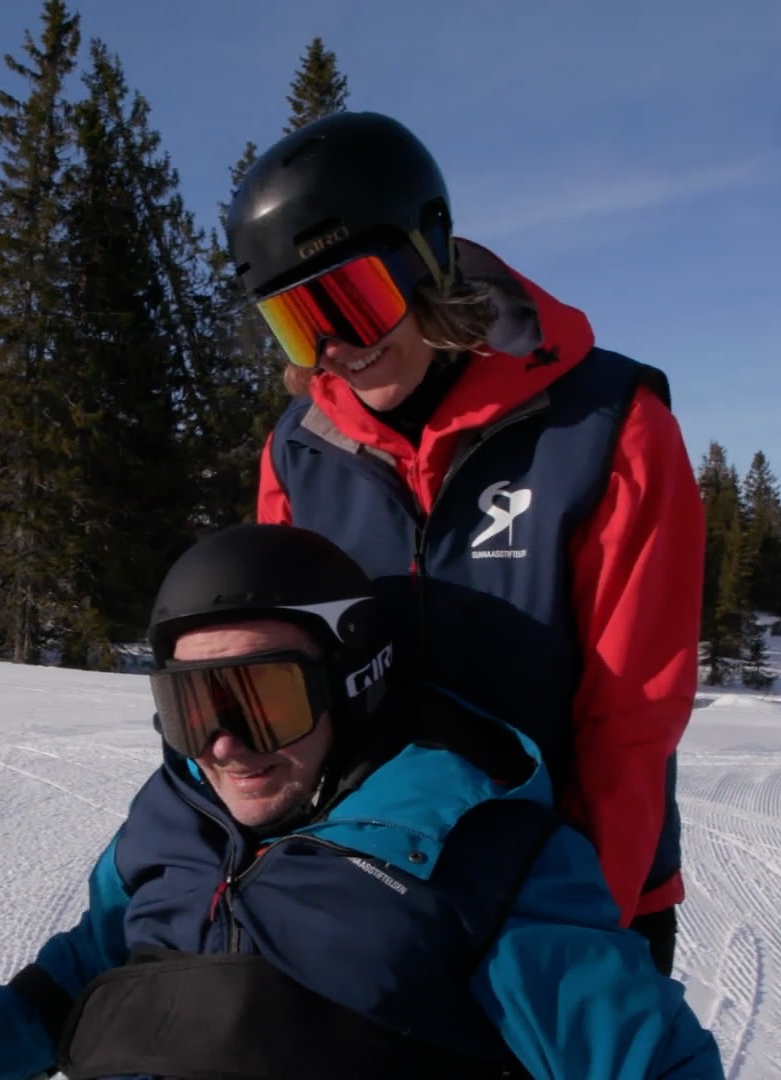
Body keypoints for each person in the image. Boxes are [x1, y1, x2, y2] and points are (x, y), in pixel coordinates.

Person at [0, 524, 720, 1080]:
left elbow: (647, 1065)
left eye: (260, 701)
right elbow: (76, 979)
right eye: (192, 709)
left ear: (356, 680)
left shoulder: (481, 856)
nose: (225, 746)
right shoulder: (170, 822)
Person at [225, 111, 705, 975]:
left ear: (428, 254)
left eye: (354, 299)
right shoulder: (297, 456)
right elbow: (289, 692)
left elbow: (633, 715)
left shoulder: (606, 425)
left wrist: (579, 924)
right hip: (384, 889)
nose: (340, 348)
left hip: (579, 891)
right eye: (300, 324)